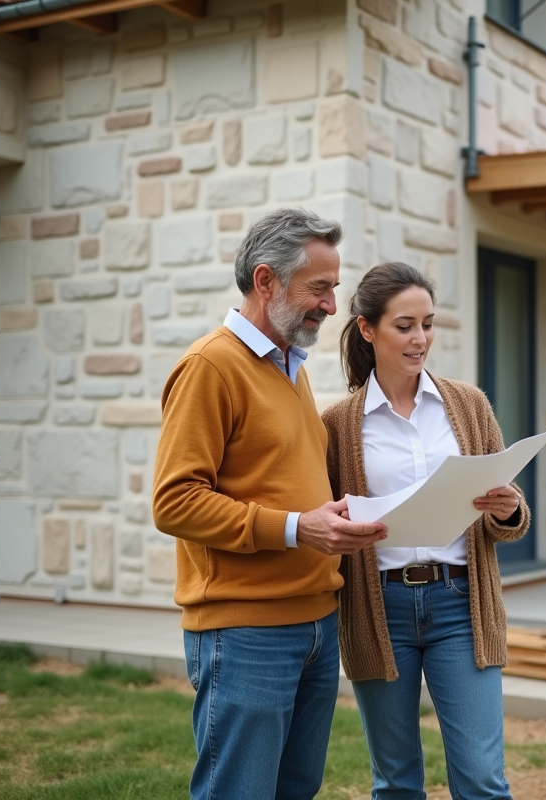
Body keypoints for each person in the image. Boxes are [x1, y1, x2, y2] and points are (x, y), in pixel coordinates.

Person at [152, 208, 386, 800]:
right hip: (246, 632)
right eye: (320, 288)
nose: (333, 306)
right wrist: (295, 529)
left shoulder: (292, 368)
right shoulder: (211, 366)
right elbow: (174, 503)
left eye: (334, 288)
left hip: (315, 625)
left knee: (294, 792)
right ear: (265, 282)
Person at [322, 262, 530, 800]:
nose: (421, 340)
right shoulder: (337, 425)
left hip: (460, 603)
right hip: (379, 609)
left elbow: (506, 517)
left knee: (483, 779)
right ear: (368, 329)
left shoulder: (468, 405)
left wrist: (506, 508)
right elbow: (326, 522)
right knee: (395, 782)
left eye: (428, 324)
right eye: (405, 325)